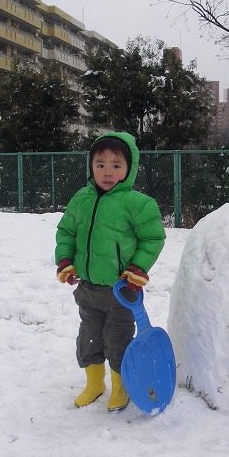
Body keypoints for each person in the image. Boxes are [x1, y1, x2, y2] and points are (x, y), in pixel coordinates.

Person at [55, 132, 166, 411]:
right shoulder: (81, 199)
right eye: (100, 164)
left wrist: (137, 269)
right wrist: (65, 260)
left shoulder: (138, 204)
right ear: (91, 166)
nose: (107, 172)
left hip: (121, 290)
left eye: (116, 165)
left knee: (118, 340)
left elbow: (153, 238)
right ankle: (95, 383)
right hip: (88, 288)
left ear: (129, 169)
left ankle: (120, 387)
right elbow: (66, 231)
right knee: (89, 337)